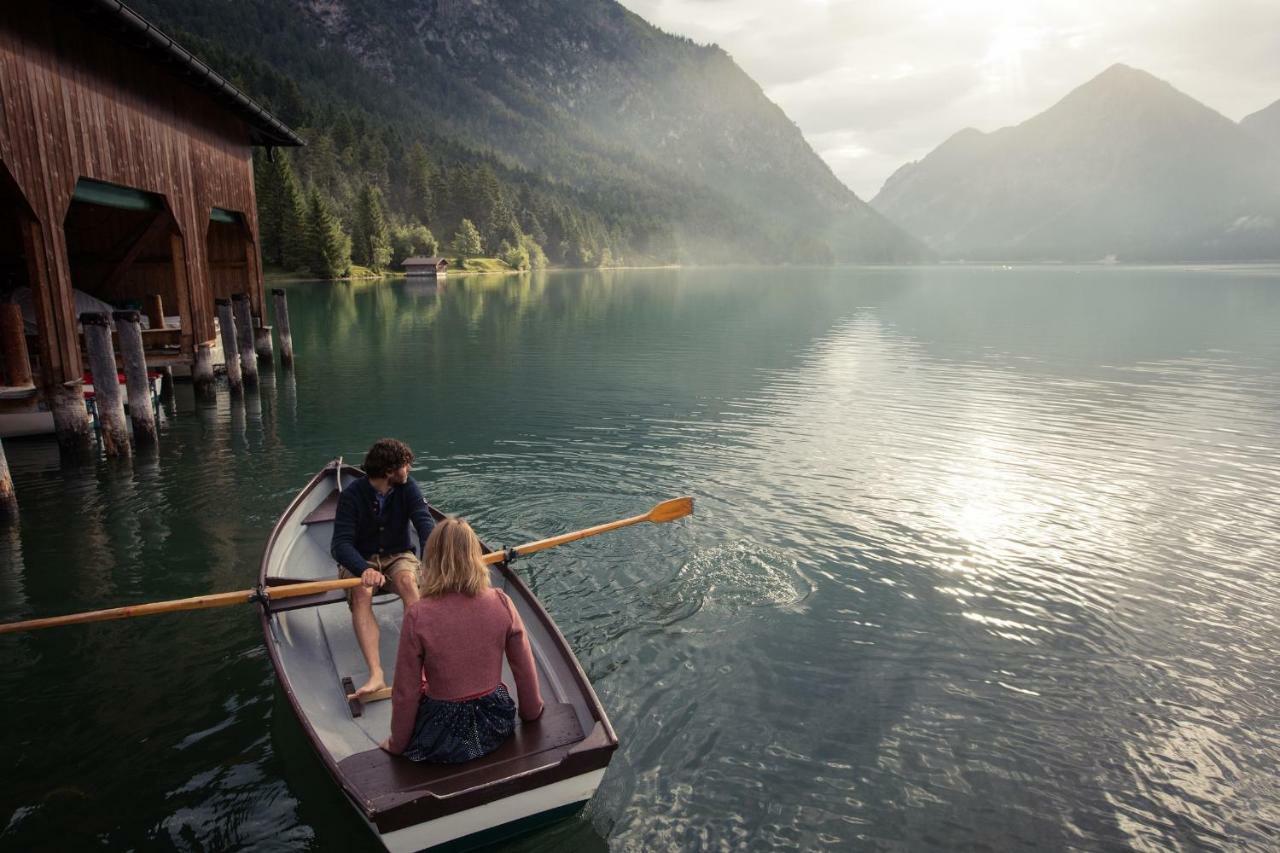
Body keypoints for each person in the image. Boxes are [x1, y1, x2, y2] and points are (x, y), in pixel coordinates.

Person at [381, 518, 544, 763]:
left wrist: (397, 743)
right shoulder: (501, 602)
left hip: (443, 734)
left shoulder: (418, 614)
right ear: (475, 556)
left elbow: (406, 691)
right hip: (495, 723)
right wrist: (531, 714)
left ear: (431, 560)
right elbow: (524, 669)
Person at [330, 438, 436, 699]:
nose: (409, 470)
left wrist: (433, 559)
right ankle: (376, 674)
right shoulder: (353, 495)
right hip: (360, 557)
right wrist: (361, 568)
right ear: (389, 471)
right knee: (363, 593)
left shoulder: (408, 487)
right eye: (405, 466)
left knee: (408, 582)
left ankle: (421, 665)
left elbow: (424, 524)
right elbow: (340, 544)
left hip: (398, 555)